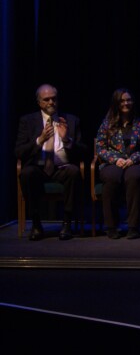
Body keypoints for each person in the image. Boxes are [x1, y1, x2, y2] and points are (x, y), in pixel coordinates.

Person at [15, 84, 87, 241]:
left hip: (62, 167)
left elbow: (83, 151)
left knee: (74, 171)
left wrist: (67, 140)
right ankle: (36, 224)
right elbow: (19, 152)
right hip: (38, 168)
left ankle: (67, 223)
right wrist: (39, 140)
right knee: (26, 173)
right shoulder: (27, 121)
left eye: (53, 99)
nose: (51, 102)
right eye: (46, 99)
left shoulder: (71, 120)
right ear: (39, 102)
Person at [95, 88, 140, 240]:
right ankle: (111, 226)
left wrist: (133, 159)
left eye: (128, 100)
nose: (126, 103)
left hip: (137, 163)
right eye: (122, 101)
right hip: (113, 162)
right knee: (111, 177)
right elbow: (100, 147)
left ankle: (134, 226)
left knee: (134, 176)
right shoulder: (107, 124)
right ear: (116, 103)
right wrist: (115, 159)